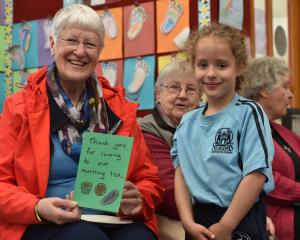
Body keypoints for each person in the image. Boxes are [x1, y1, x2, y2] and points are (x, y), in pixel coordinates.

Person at [0, 4, 164, 240]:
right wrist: (37, 208)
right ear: (54, 44)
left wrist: (139, 197)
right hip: (43, 222)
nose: (80, 51)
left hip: (112, 216)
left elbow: (150, 180)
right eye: (71, 41)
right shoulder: (19, 108)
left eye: (90, 44)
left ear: (100, 51)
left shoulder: (118, 108)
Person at [171, 23, 274, 240]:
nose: (211, 73)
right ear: (193, 66)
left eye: (221, 65)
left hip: (239, 216)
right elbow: (181, 174)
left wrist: (227, 225)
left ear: (240, 67)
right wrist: (187, 222)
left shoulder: (249, 113)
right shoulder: (187, 122)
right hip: (198, 219)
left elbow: (256, 174)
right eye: (202, 64)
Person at [138, 59, 201, 240]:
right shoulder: (148, 131)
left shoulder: (208, 130)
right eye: (174, 87)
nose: (182, 95)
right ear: (158, 94)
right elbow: (171, 196)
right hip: (171, 220)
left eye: (191, 89)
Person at [241, 56, 299, 240]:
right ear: (265, 90)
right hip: (276, 218)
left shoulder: (282, 131)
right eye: (285, 87)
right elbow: (266, 180)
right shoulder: (246, 128)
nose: (290, 94)